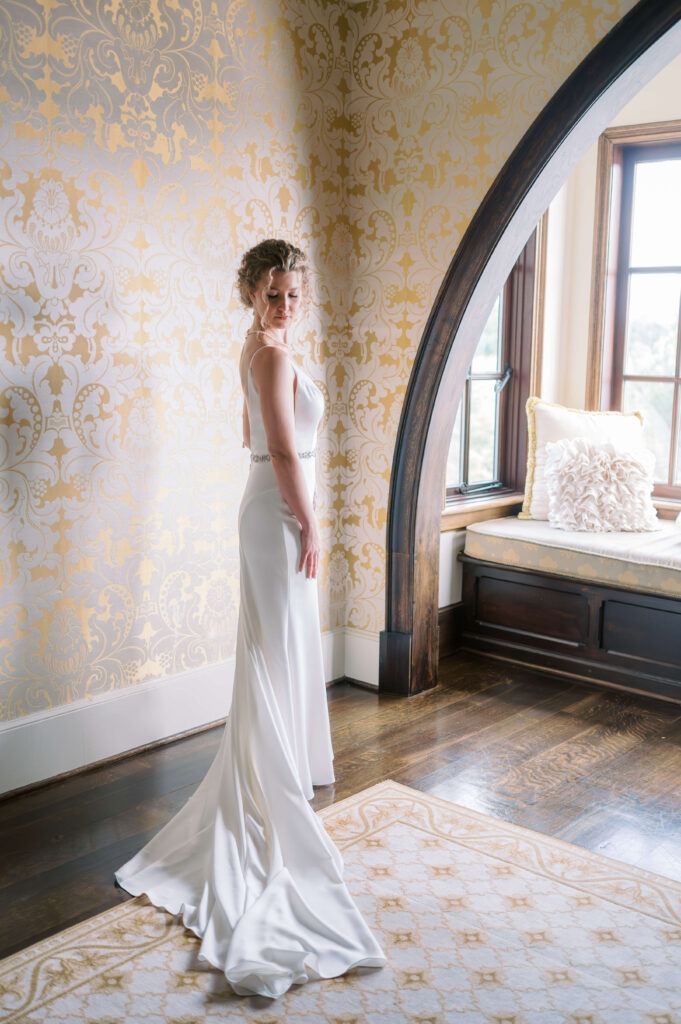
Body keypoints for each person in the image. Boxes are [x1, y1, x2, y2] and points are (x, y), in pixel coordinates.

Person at [114, 239, 387, 999]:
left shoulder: (258, 349)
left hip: (266, 504)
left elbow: (250, 439)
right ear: (250, 293)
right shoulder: (268, 355)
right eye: (273, 295)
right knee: (273, 649)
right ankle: (275, 790)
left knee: (277, 647)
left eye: (295, 294)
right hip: (276, 511)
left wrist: (290, 492)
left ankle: (281, 776)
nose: (286, 307)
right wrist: (311, 521)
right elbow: (275, 446)